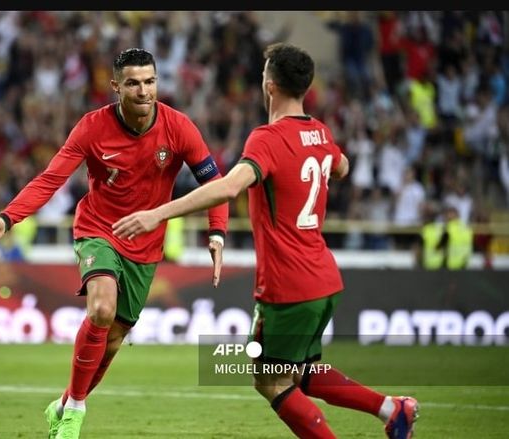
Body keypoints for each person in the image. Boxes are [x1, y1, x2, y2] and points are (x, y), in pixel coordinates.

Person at [113, 42, 419, 439]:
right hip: (325, 279)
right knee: (300, 371)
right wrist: (323, 162)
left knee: (268, 379)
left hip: (288, 285)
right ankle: (392, 409)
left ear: (269, 86)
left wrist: (157, 213)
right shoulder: (320, 131)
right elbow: (341, 165)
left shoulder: (267, 139)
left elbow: (228, 188)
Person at [0, 48, 228, 439]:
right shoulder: (92, 128)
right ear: (116, 87)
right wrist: (8, 219)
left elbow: (216, 183)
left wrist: (217, 232)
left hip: (146, 243)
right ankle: (75, 412)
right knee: (102, 309)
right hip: (99, 230)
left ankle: (63, 403)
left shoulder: (179, 128)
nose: (144, 91)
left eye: (150, 81)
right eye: (134, 83)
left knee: (112, 342)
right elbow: (50, 179)